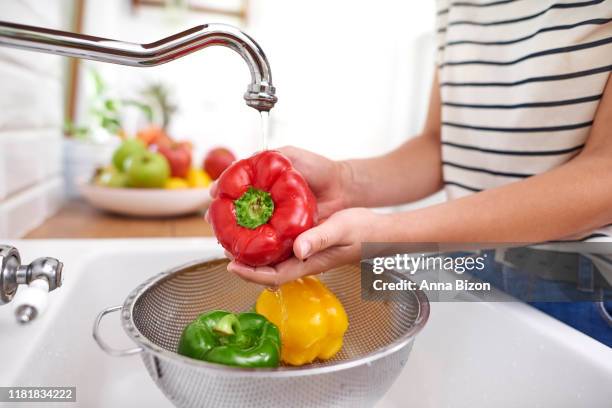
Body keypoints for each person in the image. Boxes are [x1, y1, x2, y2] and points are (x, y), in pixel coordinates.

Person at [210, 1, 612, 345]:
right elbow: (442, 143)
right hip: (473, 265)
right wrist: (346, 180)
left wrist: (388, 234)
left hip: (581, 284)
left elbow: (604, 177)